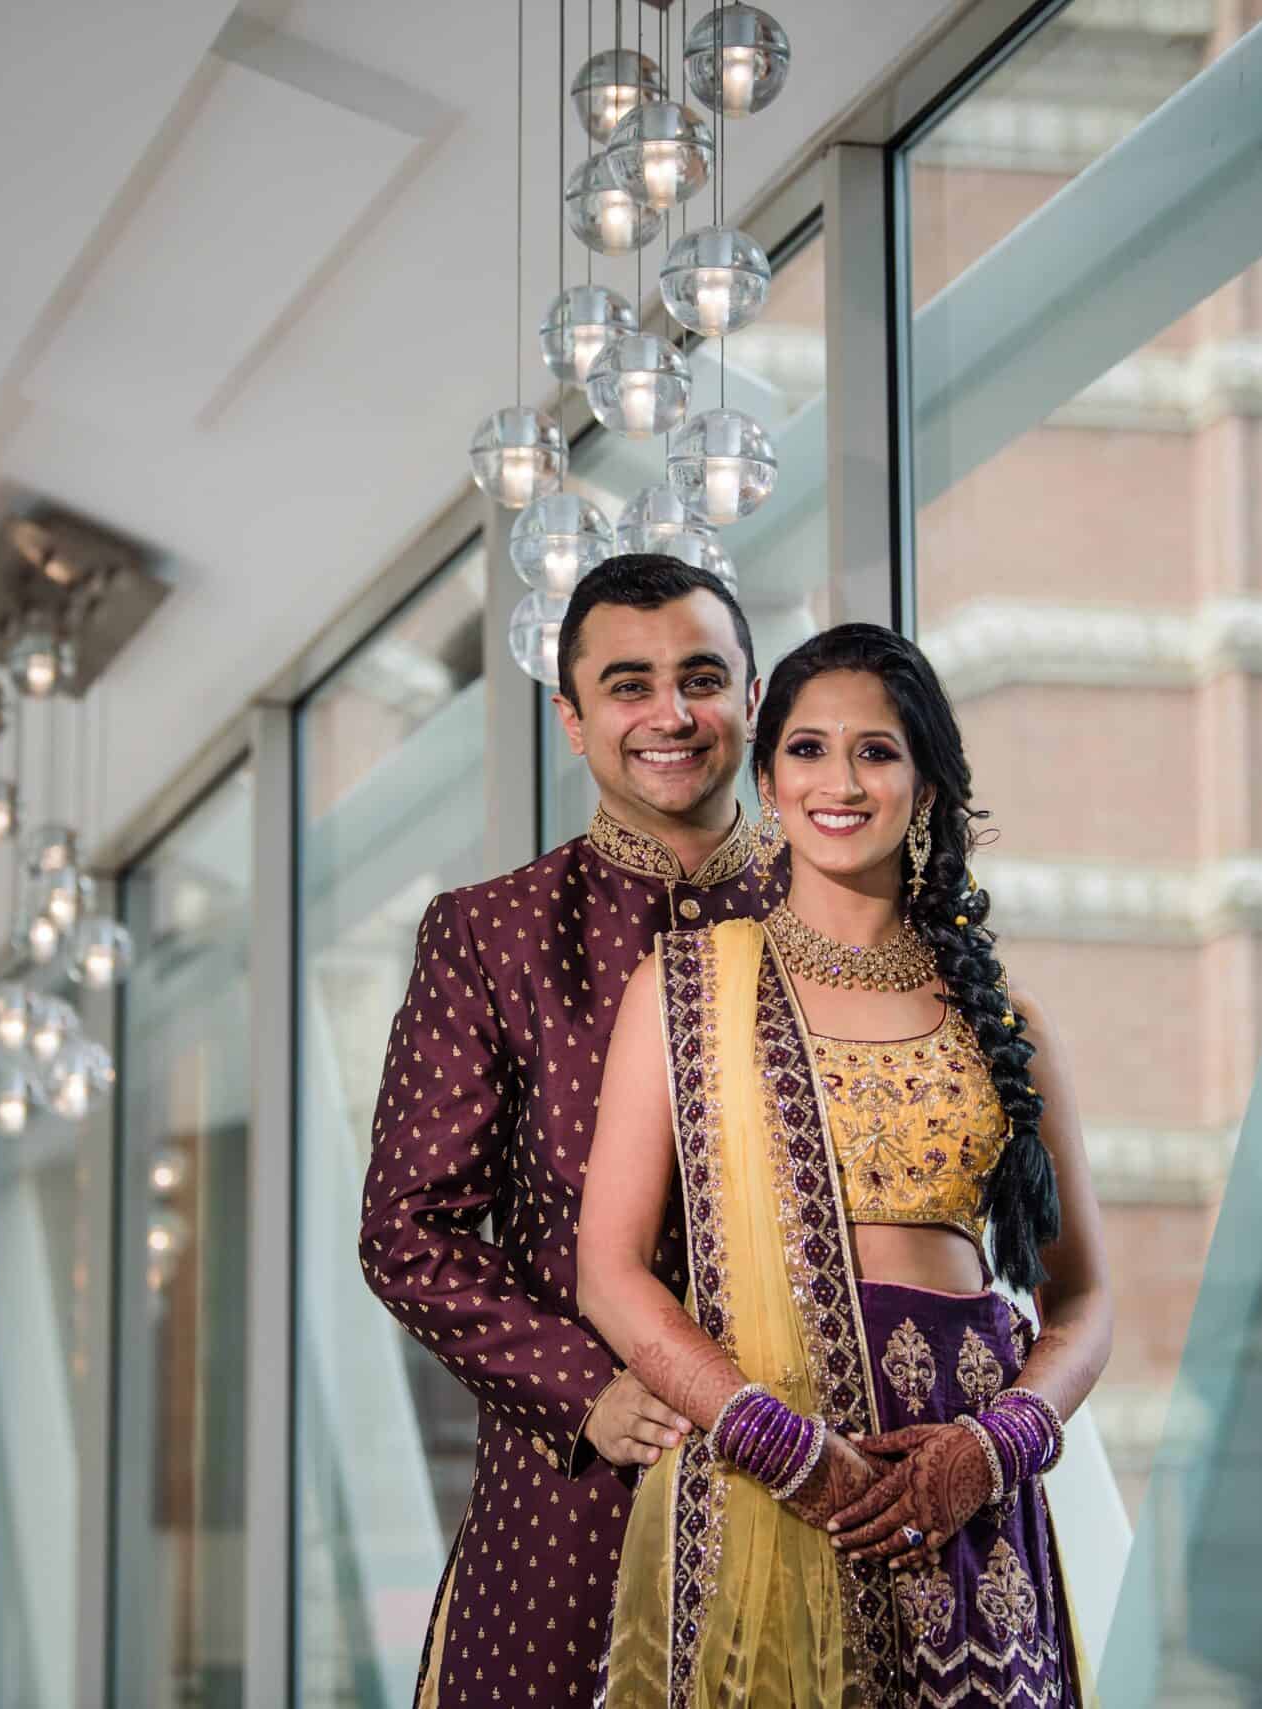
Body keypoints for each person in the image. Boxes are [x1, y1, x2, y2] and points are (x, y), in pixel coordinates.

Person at [577, 623, 1113, 1705]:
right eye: (808, 749)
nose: (840, 779)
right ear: (768, 780)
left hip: (963, 1496)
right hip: (760, 1470)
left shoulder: (1003, 1019)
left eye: (876, 751)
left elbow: (1085, 1295)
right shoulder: (682, 989)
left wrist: (996, 1443)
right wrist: (782, 1443)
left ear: (925, 787)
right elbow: (610, 1267)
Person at [358, 554, 782, 1705]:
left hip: (822, 1480)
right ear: (573, 717)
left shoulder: (835, 917)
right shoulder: (490, 935)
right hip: (582, 1501)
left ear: (750, 696)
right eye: (628, 684)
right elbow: (408, 1230)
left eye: (701, 677)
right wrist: (585, 1388)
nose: (670, 713)